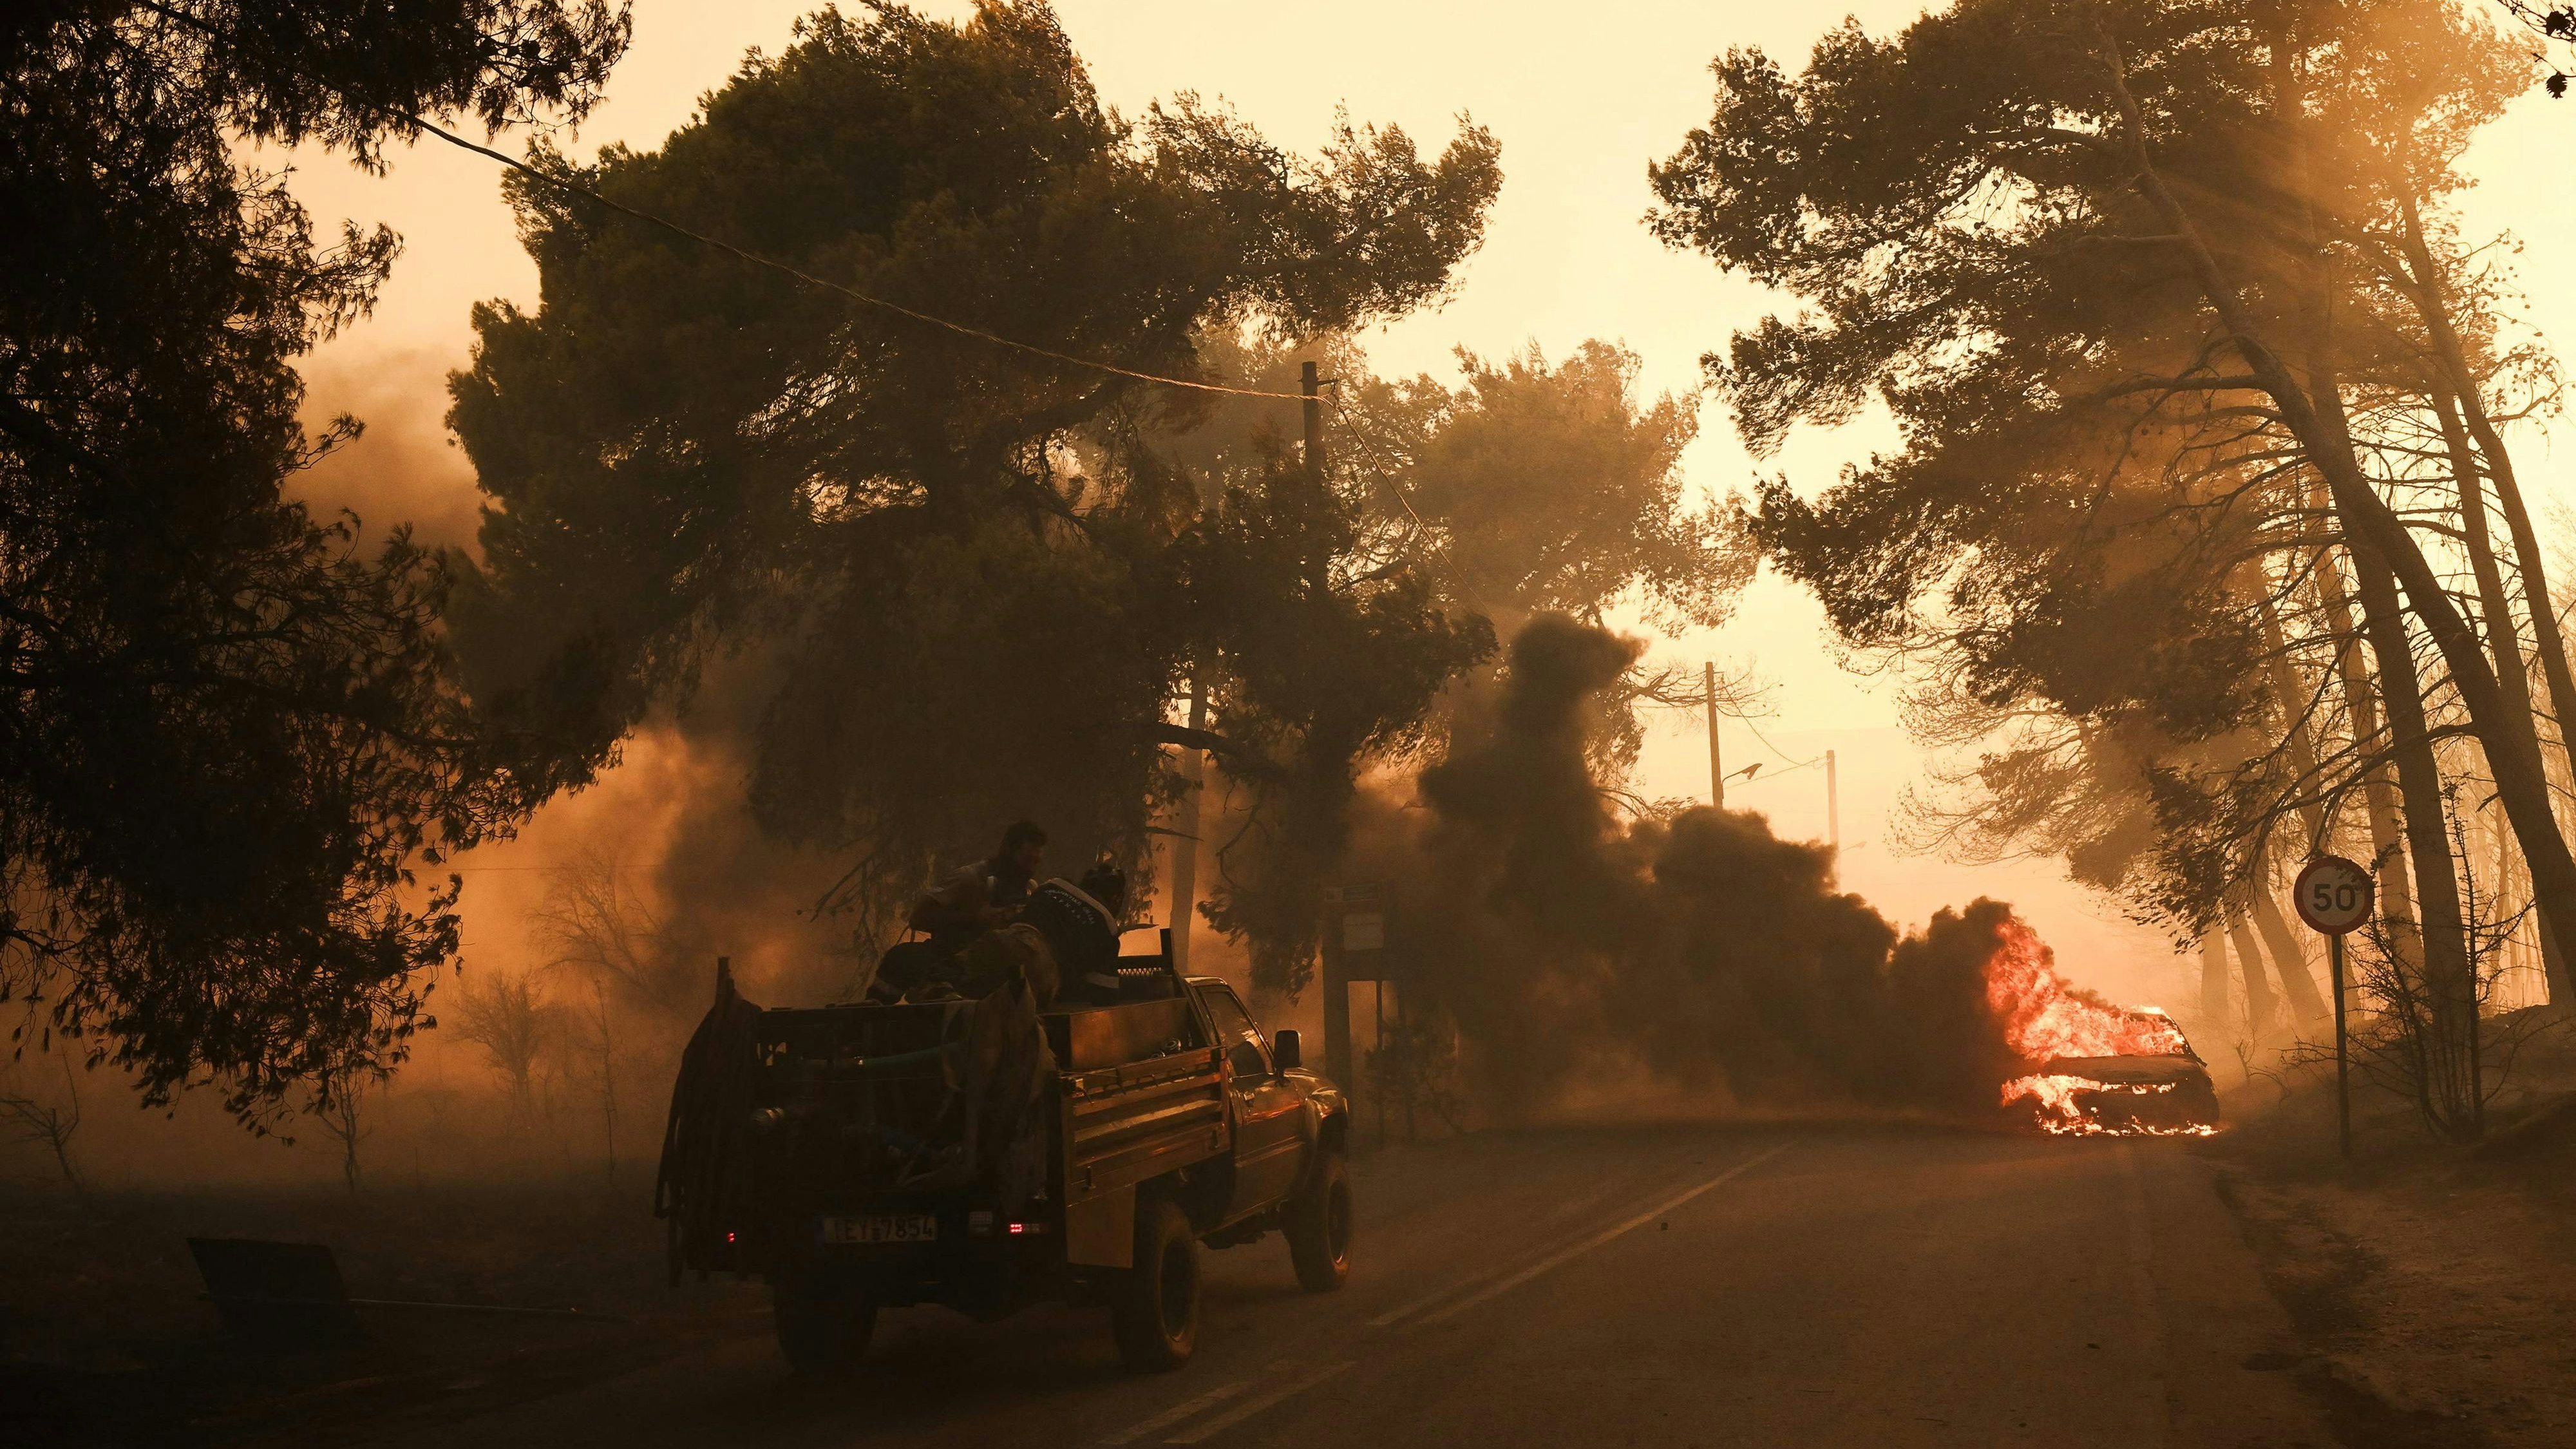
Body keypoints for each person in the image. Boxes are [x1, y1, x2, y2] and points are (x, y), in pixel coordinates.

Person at [911, 820, 1047, 957]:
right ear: (1009, 852)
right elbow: (918, 919)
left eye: (1036, 862)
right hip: (951, 962)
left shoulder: (1030, 889)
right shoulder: (969, 878)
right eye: (1026, 860)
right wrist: (975, 917)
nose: (1031, 869)